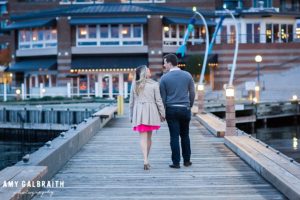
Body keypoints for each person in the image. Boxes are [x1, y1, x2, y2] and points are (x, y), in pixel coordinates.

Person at [160, 54, 195, 169]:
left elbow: (163, 99)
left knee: (174, 136)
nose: (164, 65)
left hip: (171, 110)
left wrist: (162, 113)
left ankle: (176, 162)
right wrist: (190, 105)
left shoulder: (164, 78)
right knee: (185, 135)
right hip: (185, 109)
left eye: (165, 63)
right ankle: (187, 161)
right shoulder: (187, 75)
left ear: (170, 63)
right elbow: (192, 93)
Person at [129, 65, 165, 170]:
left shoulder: (134, 84)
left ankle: (145, 159)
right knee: (149, 138)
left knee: (142, 137)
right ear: (145, 73)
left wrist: (131, 115)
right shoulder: (154, 84)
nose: (150, 71)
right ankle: (146, 159)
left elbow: (131, 102)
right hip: (151, 112)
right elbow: (158, 101)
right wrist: (163, 113)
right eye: (148, 70)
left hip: (139, 112)